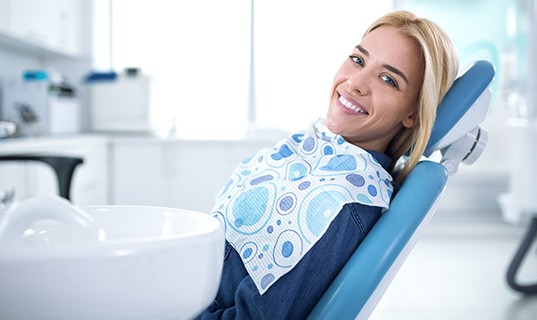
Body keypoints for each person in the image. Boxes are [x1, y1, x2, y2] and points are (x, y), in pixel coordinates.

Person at [196, 10, 459, 320]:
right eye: (358, 60)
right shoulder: (312, 150)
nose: (355, 83)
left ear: (413, 114)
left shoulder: (340, 204)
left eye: (388, 79)